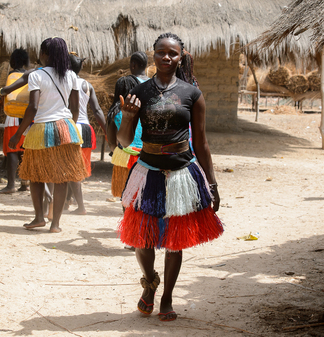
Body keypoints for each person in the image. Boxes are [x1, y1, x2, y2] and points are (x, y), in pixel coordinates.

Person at [117, 33, 223, 322]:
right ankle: (150, 282)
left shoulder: (192, 94)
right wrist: (127, 117)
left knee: (176, 240)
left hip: (182, 173)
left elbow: (201, 143)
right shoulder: (141, 92)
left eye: (172, 53)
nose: (167, 57)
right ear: (153, 55)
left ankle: (167, 298)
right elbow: (124, 142)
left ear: (181, 56)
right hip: (147, 171)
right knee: (142, 239)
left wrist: (212, 184)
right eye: (161, 52)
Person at [4, 37, 87, 233]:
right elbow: (74, 108)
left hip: (41, 129)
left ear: (44, 54)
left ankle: (39, 217)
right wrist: (68, 126)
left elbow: (32, 108)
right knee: (61, 178)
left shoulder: (36, 76)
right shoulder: (71, 76)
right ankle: (55, 224)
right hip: (66, 128)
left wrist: (18, 134)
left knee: (36, 175)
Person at [66, 53, 106, 214]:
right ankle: (67, 201)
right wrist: (106, 130)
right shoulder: (87, 85)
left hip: (72, 127)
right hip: (87, 129)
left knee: (71, 168)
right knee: (77, 168)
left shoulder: (65, 83)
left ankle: (81, 206)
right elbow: (97, 110)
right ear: (81, 67)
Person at [107, 51, 149, 199]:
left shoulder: (117, 111)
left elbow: (112, 143)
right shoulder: (153, 85)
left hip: (126, 154)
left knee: (128, 198)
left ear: (133, 65)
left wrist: (116, 151)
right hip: (149, 154)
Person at [0, 48, 30, 194]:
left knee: (12, 152)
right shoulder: (31, 75)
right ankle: (25, 183)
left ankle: (10, 185)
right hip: (28, 118)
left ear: (13, 61)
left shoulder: (12, 75)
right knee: (25, 151)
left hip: (13, 117)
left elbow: (6, 93)